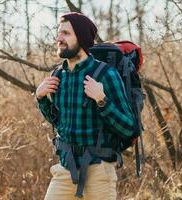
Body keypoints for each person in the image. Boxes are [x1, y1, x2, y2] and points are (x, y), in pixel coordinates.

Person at [35, 12, 135, 200]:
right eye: (59, 33)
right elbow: (58, 120)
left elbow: (129, 128)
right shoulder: (58, 75)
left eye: (65, 33)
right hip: (65, 169)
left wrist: (102, 100)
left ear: (80, 38)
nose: (59, 38)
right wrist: (41, 98)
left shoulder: (106, 74)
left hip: (99, 171)